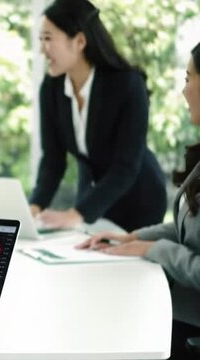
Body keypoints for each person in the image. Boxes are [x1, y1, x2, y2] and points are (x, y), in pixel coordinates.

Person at [77, 42, 200, 360]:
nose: (183, 91)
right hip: (182, 319)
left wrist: (152, 249)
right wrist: (133, 238)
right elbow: (190, 231)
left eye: (188, 78)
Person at [29, 0, 167, 232]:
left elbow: (125, 165)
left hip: (139, 200)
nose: (42, 49)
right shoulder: (51, 88)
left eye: (48, 38)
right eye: (41, 39)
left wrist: (77, 214)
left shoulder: (128, 85)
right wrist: (33, 208)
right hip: (91, 201)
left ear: (80, 41)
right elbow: (53, 161)